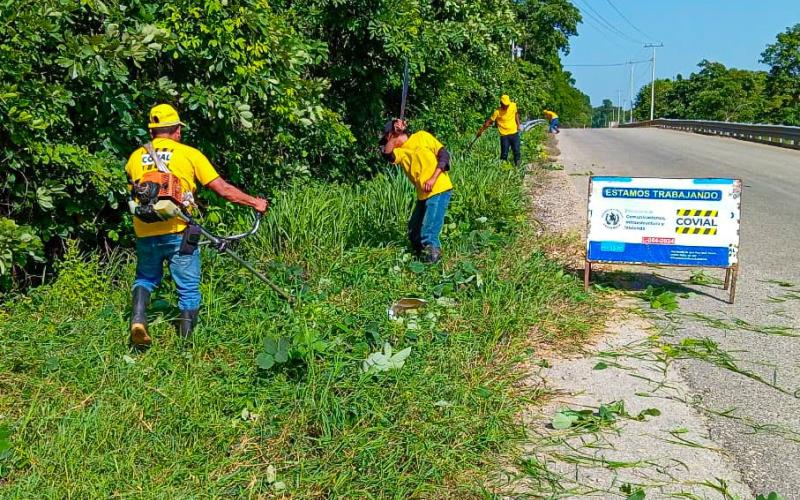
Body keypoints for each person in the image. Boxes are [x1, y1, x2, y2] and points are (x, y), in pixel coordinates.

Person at [125, 104, 268, 347]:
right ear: (177, 131)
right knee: (188, 288)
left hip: (145, 228)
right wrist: (255, 202)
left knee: (146, 277)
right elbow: (223, 190)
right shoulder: (189, 154)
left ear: (152, 132)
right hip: (179, 230)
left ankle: (138, 319)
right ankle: (186, 347)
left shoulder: (135, 157)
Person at [379, 119, 453, 263]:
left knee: (429, 233)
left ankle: (433, 264)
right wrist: (394, 136)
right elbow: (387, 155)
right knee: (414, 231)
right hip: (423, 194)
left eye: (388, 138)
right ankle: (419, 261)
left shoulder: (422, 136)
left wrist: (433, 178)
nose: (390, 143)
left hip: (439, 188)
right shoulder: (400, 152)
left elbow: (444, 155)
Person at [476, 94, 521, 166]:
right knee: (504, 154)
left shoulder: (513, 106)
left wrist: (518, 125)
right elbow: (488, 122)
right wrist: (480, 131)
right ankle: (503, 170)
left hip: (514, 133)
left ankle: (518, 167)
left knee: (516, 151)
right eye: (505, 105)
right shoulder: (497, 112)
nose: (506, 106)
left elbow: (516, 114)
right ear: (501, 103)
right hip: (504, 136)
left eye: (507, 105)